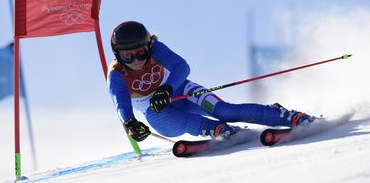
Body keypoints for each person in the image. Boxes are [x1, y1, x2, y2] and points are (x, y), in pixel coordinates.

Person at [108, 21, 316, 142]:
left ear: (149, 46)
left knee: (225, 111)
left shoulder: (156, 48)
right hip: (157, 110)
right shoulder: (117, 74)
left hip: (183, 92)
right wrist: (131, 124)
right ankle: (218, 130)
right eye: (128, 56)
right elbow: (121, 104)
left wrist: (167, 89)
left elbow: (182, 67)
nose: (136, 60)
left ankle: (287, 116)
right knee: (168, 122)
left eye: (141, 52)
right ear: (118, 55)